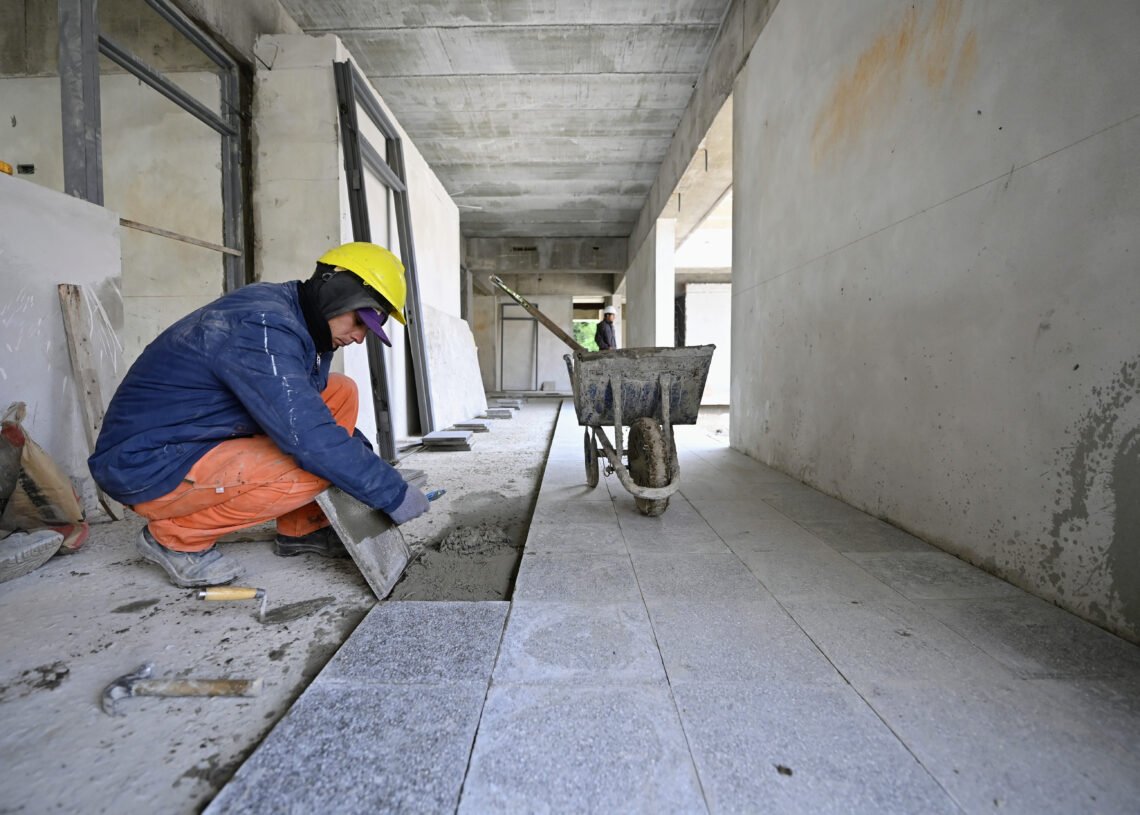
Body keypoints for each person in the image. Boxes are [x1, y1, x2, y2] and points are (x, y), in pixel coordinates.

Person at [89, 242, 431, 588]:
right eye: (360, 321)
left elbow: (308, 410)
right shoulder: (264, 327)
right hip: (147, 463)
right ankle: (174, 538)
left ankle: (303, 529)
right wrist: (391, 492)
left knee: (341, 391)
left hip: (196, 433)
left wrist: (363, 457)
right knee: (316, 468)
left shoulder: (301, 321)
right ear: (338, 291)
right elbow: (311, 440)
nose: (359, 338)